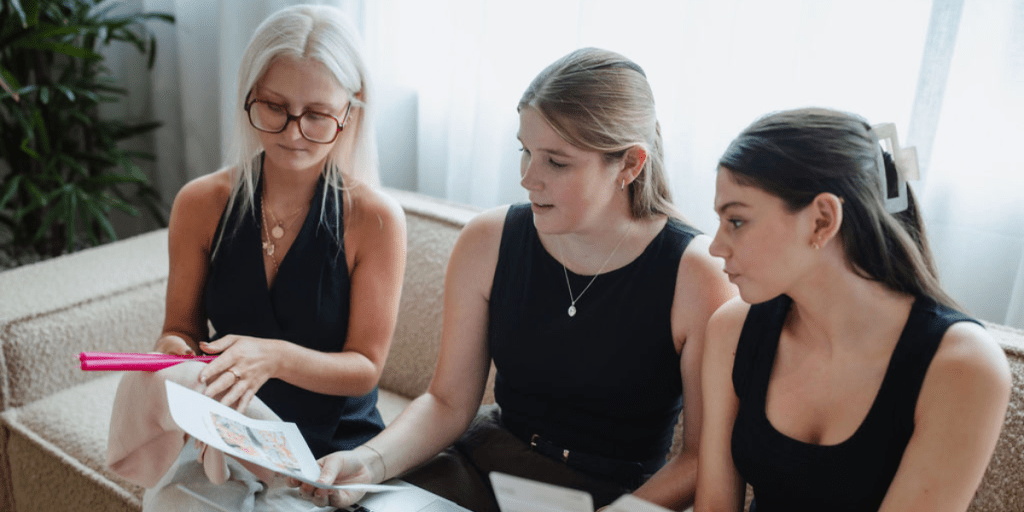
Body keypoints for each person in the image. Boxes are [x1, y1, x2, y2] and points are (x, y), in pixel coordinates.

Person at [294, 47, 735, 512]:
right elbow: (447, 402)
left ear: (629, 164)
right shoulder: (487, 239)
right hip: (484, 466)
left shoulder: (696, 273)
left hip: (612, 499)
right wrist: (368, 462)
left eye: (556, 162)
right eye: (525, 151)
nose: (528, 178)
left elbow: (701, 458)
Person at [106, 4, 405, 511]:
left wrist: (274, 357)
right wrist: (178, 359)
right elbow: (179, 328)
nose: (293, 133)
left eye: (316, 115)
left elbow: (364, 368)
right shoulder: (200, 203)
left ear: (350, 113)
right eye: (274, 107)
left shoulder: (374, 219)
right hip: (229, 432)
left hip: (332, 451)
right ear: (248, 97)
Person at [695, 108, 1011, 512]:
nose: (717, 246)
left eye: (736, 221)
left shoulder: (963, 367)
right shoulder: (732, 329)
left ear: (822, 220)